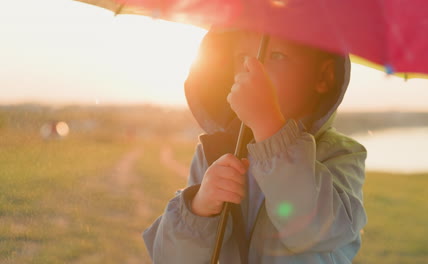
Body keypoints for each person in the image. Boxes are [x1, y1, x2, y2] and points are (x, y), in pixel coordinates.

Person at [142, 29, 367, 263]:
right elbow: (170, 258)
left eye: (277, 56)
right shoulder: (216, 151)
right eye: (241, 58)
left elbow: (317, 232)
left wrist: (269, 127)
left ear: (324, 76)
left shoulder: (340, 154)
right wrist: (199, 207)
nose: (253, 69)